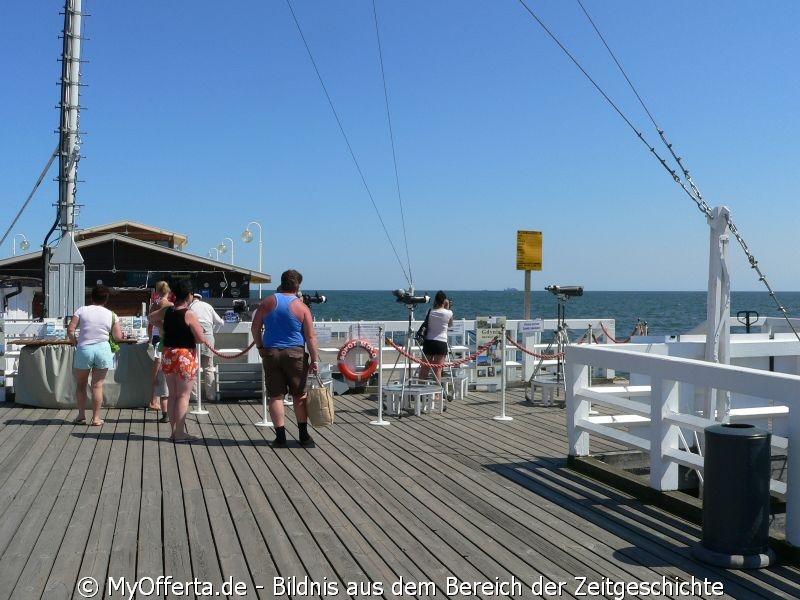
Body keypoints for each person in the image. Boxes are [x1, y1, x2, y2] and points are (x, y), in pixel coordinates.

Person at [250, 269, 320, 447]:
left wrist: (259, 347)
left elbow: (255, 328)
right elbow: (311, 336)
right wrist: (315, 360)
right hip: (294, 354)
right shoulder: (301, 307)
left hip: (271, 353)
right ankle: (303, 436)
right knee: (299, 395)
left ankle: (280, 437)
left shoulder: (267, 302)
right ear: (297, 286)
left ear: (281, 283)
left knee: (276, 396)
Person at [148, 281, 206, 443]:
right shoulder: (189, 314)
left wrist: (163, 328)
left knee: (172, 395)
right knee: (183, 396)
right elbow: (200, 339)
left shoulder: (167, 311)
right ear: (189, 296)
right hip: (184, 355)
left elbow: (151, 317)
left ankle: (174, 432)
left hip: (168, 354)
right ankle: (180, 433)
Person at [66, 284, 124, 426]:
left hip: (84, 348)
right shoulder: (112, 314)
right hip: (103, 350)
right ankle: (96, 418)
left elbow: (70, 330)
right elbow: (118, 337)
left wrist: (75, 341)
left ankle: (81, 416)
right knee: (97, 386)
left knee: (81, 385)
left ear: (91, 297)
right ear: (106, 299)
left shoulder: (82, 310)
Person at [189, 292, 224, 402]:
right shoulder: (208, 306)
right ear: (200, 298)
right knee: (208, 367)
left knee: (194, 367)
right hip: (208, 337)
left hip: (194, 337)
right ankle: (211, 395)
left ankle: (194, 396)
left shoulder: (190, 307)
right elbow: (220, 322)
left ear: (192, 298)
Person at [418, 290, 454, 386]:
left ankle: (420, 391)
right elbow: (450, 325)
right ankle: (437, 394)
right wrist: (447, 307)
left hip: (429, 342)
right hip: (441, 342)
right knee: (438, 369)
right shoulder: (449, 313)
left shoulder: (429, 311)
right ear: (444, 301)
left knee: (424, 368)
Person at [147, 280, 172, 413]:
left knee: (156, 372)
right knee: (166, 370)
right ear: (169, 291)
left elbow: (150, 323)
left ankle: (153, 399)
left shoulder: (154, 304)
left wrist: (150, 337)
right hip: (166, 339)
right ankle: (159, 400)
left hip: (156, 338)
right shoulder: (169, 304)